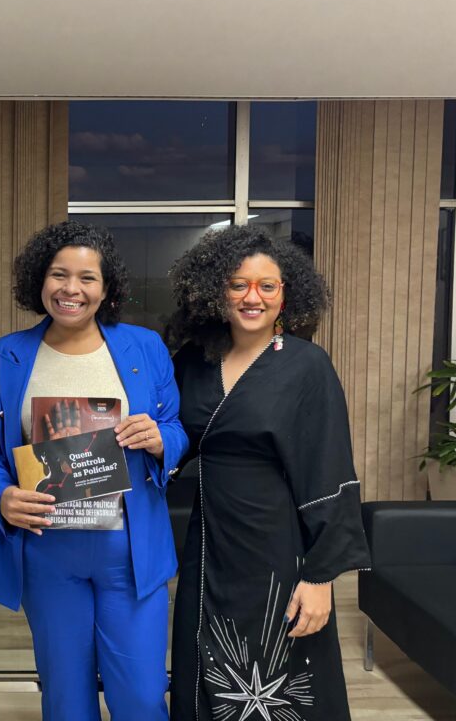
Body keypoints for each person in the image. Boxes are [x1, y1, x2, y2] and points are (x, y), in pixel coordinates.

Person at [0, 221, 188, 721]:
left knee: (142, 695)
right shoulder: (5, 355)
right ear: (39, 280)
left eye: (87, 278)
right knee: (66, 698)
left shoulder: (144, 347)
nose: (72, 289)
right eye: (59, 275)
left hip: (129, 548)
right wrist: (1, 494)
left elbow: (175, 426)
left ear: (106, 288)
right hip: (48, 546)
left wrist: (161, 440)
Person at [167, 226, 371, 721]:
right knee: (204, 664)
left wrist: (320, 577)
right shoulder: (194, 360)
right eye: (238, 284)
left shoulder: (307, 366)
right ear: (216, 290)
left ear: (286, 293)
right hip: (210, 542)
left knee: (281, 674)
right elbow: (176, 437)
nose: (252, 297)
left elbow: (329, 470)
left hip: (277, 548)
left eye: (267, 285)